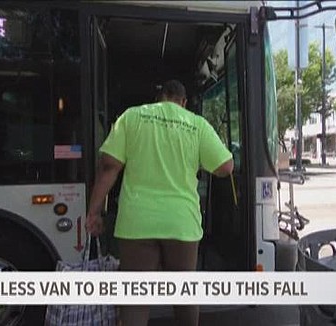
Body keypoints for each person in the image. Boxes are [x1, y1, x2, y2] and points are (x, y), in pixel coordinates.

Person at [86, 80, 233, 326]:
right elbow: (226, 167)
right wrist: (197, 163)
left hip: (137, 224)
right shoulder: (197, 124)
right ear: (183, 102)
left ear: (159, 98)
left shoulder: (131, 117)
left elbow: (109, 166)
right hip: (182, 224)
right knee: (184, 295)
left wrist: (94, 212)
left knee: (135, 300)